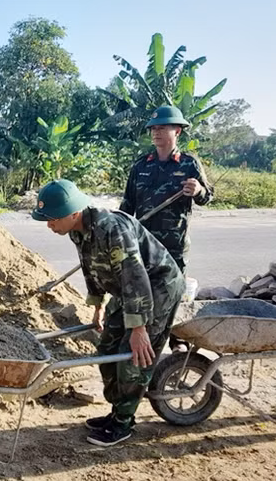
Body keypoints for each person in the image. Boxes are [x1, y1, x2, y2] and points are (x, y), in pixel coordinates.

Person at [32, 179, 184, 446]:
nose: (49, 225)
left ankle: (123, 422)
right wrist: (98, 306)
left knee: (132, 355)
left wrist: (139, 329)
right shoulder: (77, 231)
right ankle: (117, 411)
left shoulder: (113, 229)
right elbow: (90, 267)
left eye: (53, 219)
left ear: (73, 213)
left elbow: (135, 276)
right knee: (106, 348)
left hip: (157, 288)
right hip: (127, 291)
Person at [119, 105, 212, 352]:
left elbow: (207, 196)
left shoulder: (189, 164)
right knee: (142, 291)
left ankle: (177, 341)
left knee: (173, 293)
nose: (156, 133)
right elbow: (127, 205)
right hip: (143, 243)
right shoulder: (141, 166)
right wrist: (120, 232)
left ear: (177, 131)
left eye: (162, 128)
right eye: (153, 129)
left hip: (173, 245)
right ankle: (139, 339)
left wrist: (198, 191)